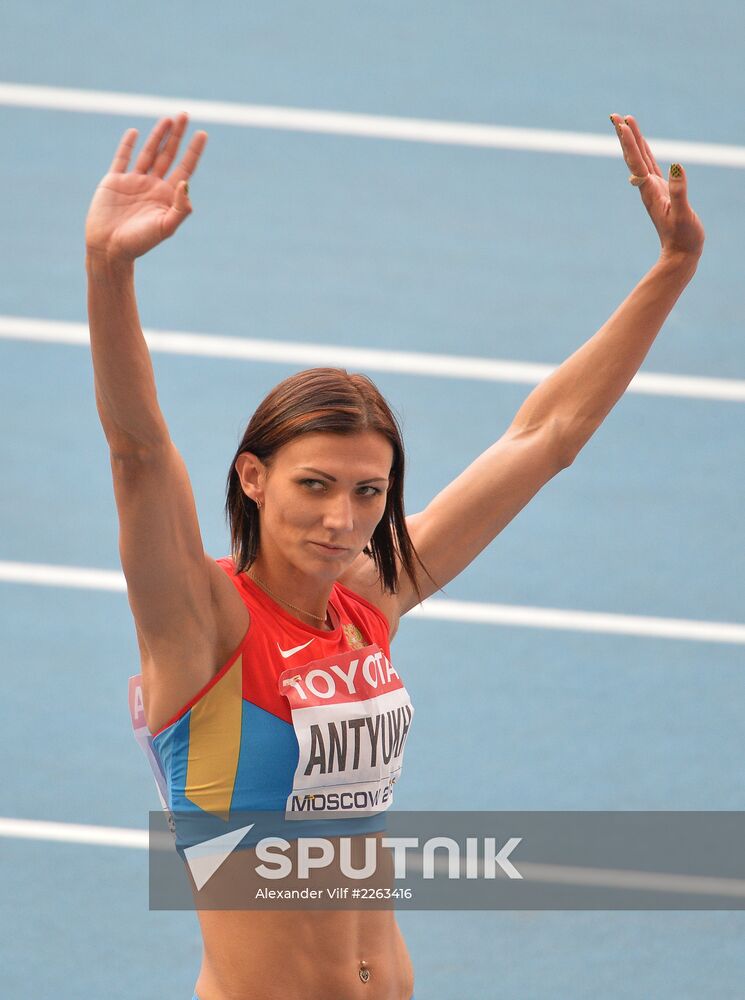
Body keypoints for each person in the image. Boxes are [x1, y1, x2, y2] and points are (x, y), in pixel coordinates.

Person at [85, 111, 704, 1000]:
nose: (343, 518)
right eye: (315, 485)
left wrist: (672, 269)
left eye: (369, 493)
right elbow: (138, 453)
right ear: (253, 478)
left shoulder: (369, 606)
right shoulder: (203, 627)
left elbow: (547, 435)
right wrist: (109, 271)